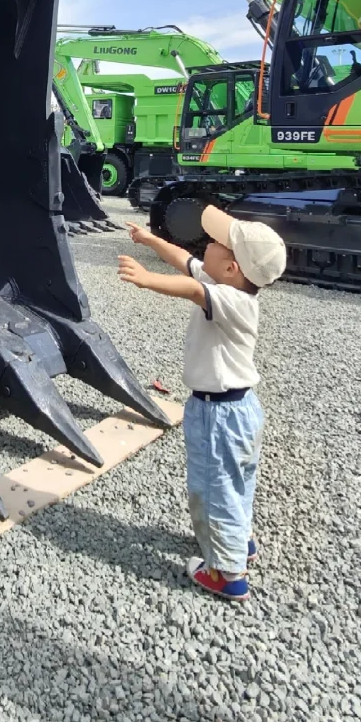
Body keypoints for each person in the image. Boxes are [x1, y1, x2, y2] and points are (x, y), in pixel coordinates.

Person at [117, 206, 287, 601]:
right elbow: (186, 263)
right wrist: (151, 240)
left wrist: (145, 280)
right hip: (239, 410)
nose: (206, 244)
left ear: (231, 269)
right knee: (236, 484)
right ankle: (240, 542)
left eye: (217, 243)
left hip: (217, 415)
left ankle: (228, 576)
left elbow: (194, 288)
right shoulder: (230, 284)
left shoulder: (231, 300)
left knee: (213, 490)